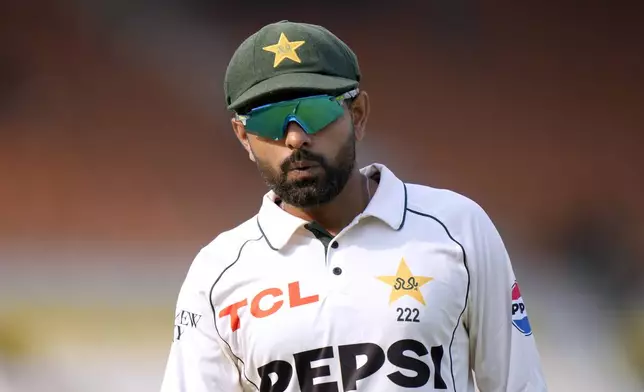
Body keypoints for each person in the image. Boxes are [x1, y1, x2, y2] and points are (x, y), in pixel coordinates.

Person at [160, 20, 547, 392]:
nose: (295, 137)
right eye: (270, 118)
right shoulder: (216, 273)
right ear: (243, 137)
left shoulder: (458, 227)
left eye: (315, 111)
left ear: (357, 115)